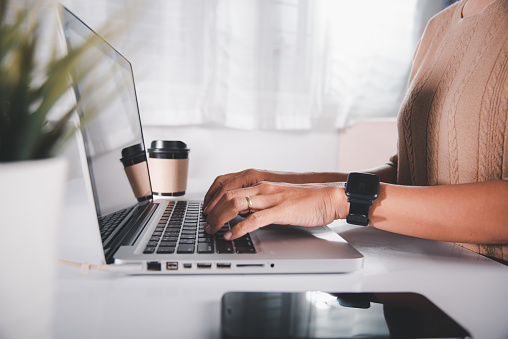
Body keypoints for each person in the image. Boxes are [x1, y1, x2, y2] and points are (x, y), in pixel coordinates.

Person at [202, 0, 508, 263]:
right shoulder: (438, 27)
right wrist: (284, 185)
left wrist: (339, 201)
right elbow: (407, 175)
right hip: (421, 269)